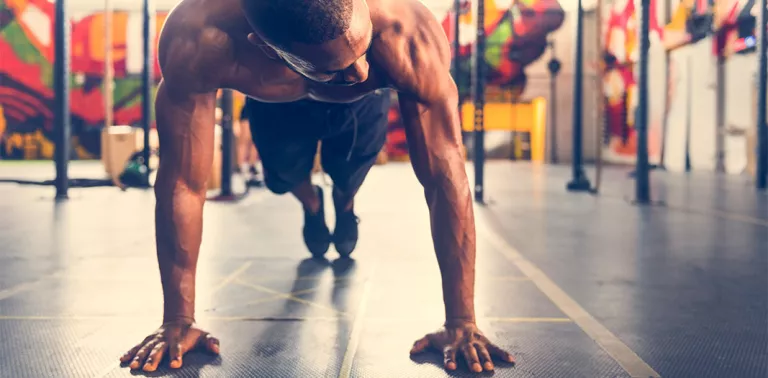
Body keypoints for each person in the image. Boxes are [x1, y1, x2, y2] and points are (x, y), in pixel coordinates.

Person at [119, 0, 515, 374]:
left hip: (360, 107)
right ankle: (312, 204)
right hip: (274, 107)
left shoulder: (404, 30)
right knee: (284, 176)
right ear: (268, 47)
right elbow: (183, 183)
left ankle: (344, 204)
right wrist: (177, 319)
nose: (360, 71)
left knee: (347, 174)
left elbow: (445, 173)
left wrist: (462, 320)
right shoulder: (201, 34)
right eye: (338, 67)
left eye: (362, 48)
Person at [243, 91, 391, 257]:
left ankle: (345, 201)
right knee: (282, 165)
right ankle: (311, 202)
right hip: (281, 92)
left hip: (355, 93)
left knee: (355, 162)